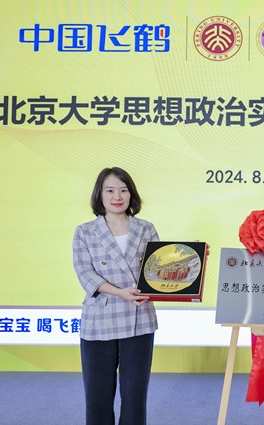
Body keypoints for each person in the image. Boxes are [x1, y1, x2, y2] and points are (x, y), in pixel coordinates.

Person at [73, 167, 159, 425]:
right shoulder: (85, 231)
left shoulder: (146, 228)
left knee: (135, 396)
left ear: (131, 194)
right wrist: (120, 292)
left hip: (139, 318)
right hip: (99, 319)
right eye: (110, 190)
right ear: (99, 195)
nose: (117, 196)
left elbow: (157, 269)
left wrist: (190, 257)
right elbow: (84, 273)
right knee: (97, 397)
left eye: (123, 190)